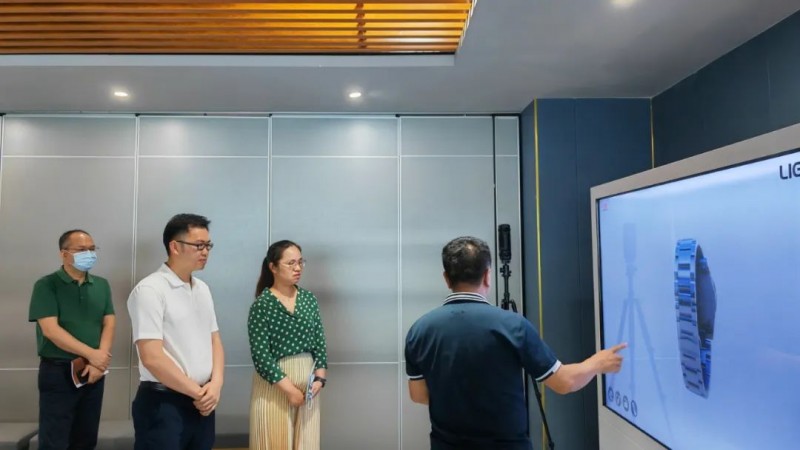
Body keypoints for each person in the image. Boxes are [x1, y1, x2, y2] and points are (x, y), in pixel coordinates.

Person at [404, 236, 626, 450]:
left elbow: (418, 395)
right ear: (487, 276)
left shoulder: (420, 330)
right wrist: (596, 363)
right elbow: (563, 382)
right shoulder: (513, 326)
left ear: (446, 278)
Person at [127, 214, 224, 450]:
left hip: (202, 402)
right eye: (198, 245)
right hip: (164, 403)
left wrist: (216, 385)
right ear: (175, 246)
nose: (205, 252)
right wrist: (198, 393)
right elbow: (152, 357)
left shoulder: (202, 289)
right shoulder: (150, 289)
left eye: (208, 245)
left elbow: (215, 340)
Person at [28, 229, 115, 450]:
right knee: (55, 439)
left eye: (92, 249)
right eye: (82, 249)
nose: (89, 254)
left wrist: (99, 361)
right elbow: (51, 330)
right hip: (58, 371)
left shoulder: (102, 285)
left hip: (93, 371)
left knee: (86, 437)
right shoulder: (47, 285)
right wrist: (92, 354)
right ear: (64, 254)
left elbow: (109, 322)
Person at [248, 240, 328, 450]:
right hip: (274, 388)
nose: (298, 268)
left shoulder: (308, 299)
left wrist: (320, 378)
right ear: (273, 267)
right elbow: (261, 356)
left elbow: (319, 342)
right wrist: (289, 390)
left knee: (306, 444)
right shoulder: (262, 305)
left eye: (301, 262)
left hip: (308, 388)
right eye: (291, 263)